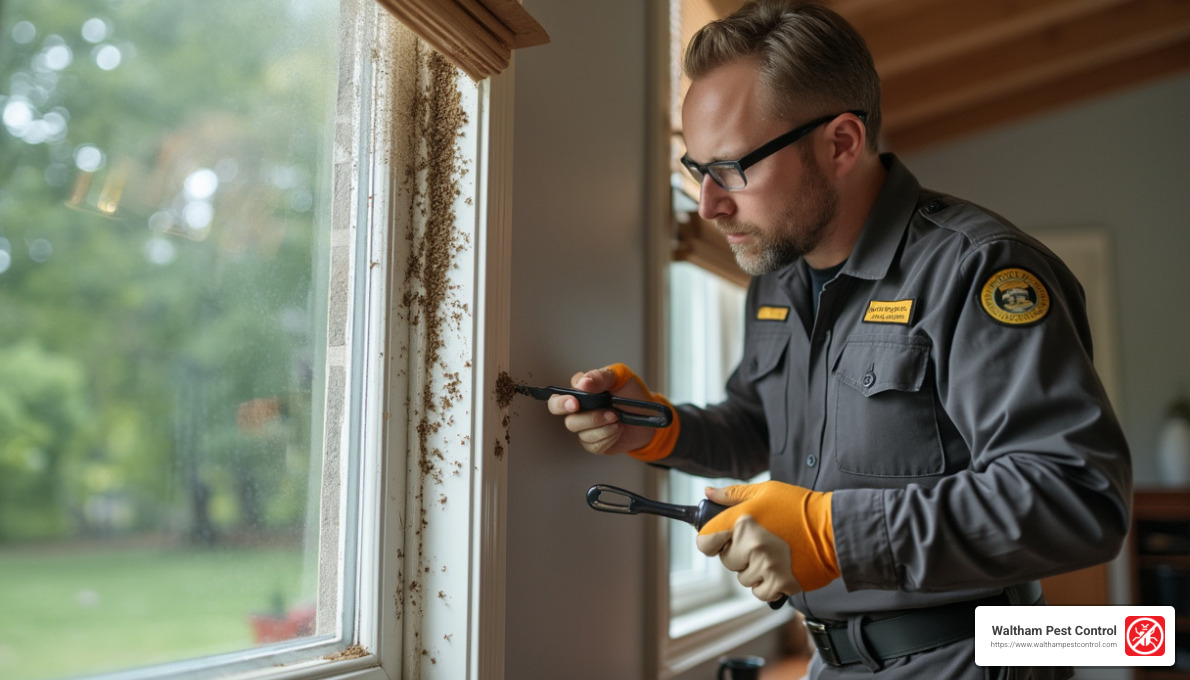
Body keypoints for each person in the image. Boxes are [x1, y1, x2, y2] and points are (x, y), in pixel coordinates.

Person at [544, 1, 1132, 678]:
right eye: (697, 169)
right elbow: (761, 427)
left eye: (731, 168)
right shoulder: (779, 274)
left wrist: (832, 534)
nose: (708, 205)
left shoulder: (977, 270)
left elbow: (1077, 497)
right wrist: (659, 429)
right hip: (830, 661)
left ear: (841, 143)